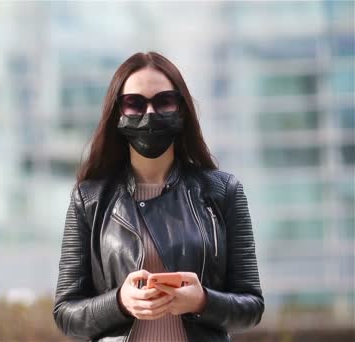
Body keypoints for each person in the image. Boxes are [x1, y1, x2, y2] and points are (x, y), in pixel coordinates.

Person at [52, 51, 264, 341]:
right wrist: (119, 303)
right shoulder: (89, 199)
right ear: (118, 112)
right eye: (135, 104)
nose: (150, 114)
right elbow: (66, 312)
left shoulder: (222, 191)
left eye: (163, 101)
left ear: (181, 108)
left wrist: (202, 301)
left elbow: (252, 305)